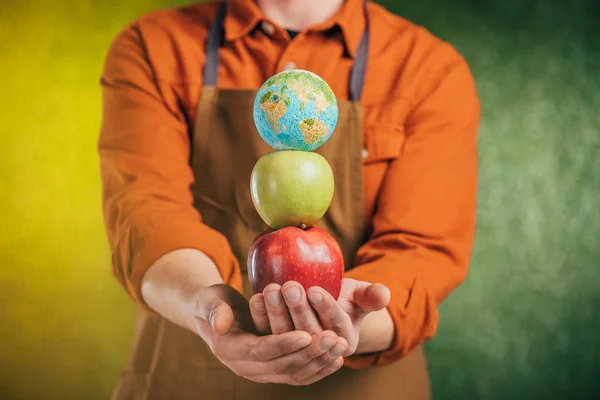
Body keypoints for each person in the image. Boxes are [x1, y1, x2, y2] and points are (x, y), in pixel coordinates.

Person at [99, 0, 480, 398]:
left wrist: (348, 321)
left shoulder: (427, 69)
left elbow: (421, 252)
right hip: (189, 376)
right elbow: (148, 215)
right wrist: (209, 308)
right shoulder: (154, 47)